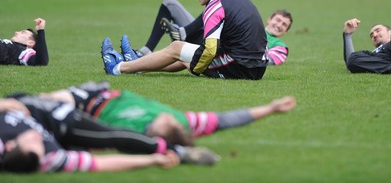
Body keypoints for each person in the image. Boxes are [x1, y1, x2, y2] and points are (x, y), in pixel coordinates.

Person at [101, 0, 268, 80]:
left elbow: (210, 49)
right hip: (257, 66)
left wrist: (195, 67)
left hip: (240, 66)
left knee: (178, 48)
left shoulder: (215, 6)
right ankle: (135, 65)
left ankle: (118, 68)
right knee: (184, 55)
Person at [0, 93, 220, 173]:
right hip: (59, 123)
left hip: (39, 108)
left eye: (30, 140)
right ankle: (178, 152)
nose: (36, 137)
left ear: (10, 145)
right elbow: (101, 164)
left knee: (109, 134)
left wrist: (7, 103)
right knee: (109, 137)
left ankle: (175, 149)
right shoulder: (51, 159)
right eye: (38, 144)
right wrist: (152, 160)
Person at [38, 81, 296, 146]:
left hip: (81, 106)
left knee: (34, 104)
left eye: (163, 122)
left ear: (154, 133)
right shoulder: (184, 122)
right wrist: (271, 109)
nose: (167, 116)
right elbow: (227, 119)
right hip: (101, 91)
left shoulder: (131, 135)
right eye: (169, 119)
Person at [135, 0, 293, 66]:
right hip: (205, 34)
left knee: (218, 8)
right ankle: (145, 52)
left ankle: (182, 33)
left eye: (284, 25)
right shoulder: (250, 25)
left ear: (285, 31)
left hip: (213, 48)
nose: (279, 25)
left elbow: (268, 61)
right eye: (278, 20)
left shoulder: (279, 46)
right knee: (169, 3)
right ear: (269, 19)